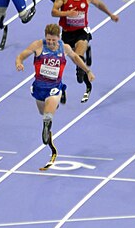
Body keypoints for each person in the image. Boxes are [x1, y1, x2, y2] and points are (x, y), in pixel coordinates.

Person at [15, 23, 94, 153]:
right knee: (42, 111)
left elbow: (75, 58)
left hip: (54, 86)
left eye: (53, 40)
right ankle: (53, 107)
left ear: (59, 38)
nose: (51, 42)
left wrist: (87, 71)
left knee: (48, 114)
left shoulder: (65, 48)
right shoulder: (38, 45)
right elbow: (21, 55)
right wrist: (19, 63)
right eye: (49, 39)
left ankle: (46, 126)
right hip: (39, 87)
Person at [51, 0, 118, 103]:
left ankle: (82, 66)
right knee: (61, 61)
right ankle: (62, 86)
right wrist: (67, 13)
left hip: (82, 31)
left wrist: (110, 14)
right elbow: (54, 12)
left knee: (78, 57)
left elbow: (99, 4)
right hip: (66, 33)